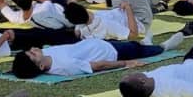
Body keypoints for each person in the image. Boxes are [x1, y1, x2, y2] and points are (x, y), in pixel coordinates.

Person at [10, 36, 170, 79]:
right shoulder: (65, 66)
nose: (33, 50)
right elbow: (98, 66)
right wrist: (126, 63)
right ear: (41, 67)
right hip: (112, 52)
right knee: (136, 49)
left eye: (30, 51)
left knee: (134, 45)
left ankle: (143, 44)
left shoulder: (47, 57)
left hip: (99, 43)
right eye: (32, 55)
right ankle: (163, 47)